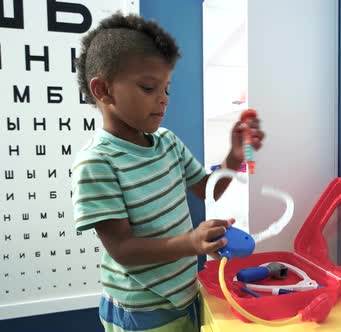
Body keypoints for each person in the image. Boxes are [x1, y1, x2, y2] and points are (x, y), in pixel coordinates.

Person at [71, 12, 264, 332]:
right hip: (142, 310)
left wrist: (233, 155)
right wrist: (191, 242)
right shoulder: (97, 163)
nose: (163, 100)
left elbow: (207, 189)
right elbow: (123, 250)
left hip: (184, 294)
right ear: (103, 90)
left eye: (167, 89)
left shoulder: (167, 142)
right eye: (149, 87)